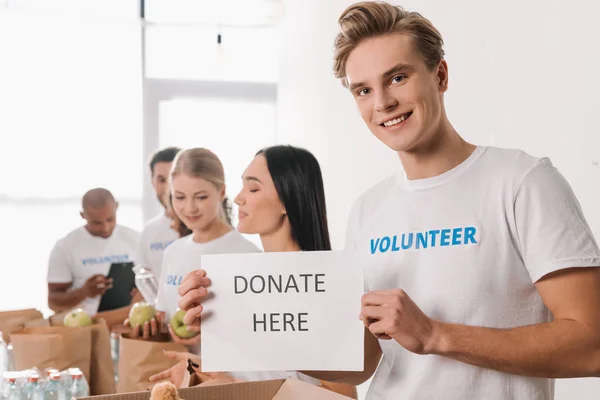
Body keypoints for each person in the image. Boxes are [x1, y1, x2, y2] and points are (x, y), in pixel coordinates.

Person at [175, 2, 600, 400]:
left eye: (398, 77)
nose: (382, 103)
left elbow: (592, 344)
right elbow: (360, 362)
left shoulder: (522, 182)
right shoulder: (368, 210)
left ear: (441, 75)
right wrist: (235, 321)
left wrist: (436, 335)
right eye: (363, 90)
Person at [163, 146, 356, 397]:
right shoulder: (240, 280)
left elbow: (341, 394)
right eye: (242, 186)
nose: (237, 199)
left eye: (253, 189)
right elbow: (255, 376)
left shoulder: (325, 283)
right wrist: (206, 370)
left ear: (288, 199)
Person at [136, 148, 259, 342]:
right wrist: (147, 327)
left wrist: (213, 333)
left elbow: (261, 330)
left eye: (201, 197)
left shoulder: (248, 254)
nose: (190, 208)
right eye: (180, 197)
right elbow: (165, 316)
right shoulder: (172, 252)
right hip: (177, 369)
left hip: (225, 372)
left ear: (222, 192)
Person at [47, 188, 141, 328]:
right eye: (96, 223)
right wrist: (83, 292)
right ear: (83, 215)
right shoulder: (65, 247)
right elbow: (53, 302)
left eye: (110, 219)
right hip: (83, 329)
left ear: (117, 207)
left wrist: (139, 289)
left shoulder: (136, 239)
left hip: (126, 325)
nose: (105, 228)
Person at [135, 147, 182, 277]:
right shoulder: (148, 233)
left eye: (174, 178)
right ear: (152, 182)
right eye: (162, 180)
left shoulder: (207, 229)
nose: (169, 187)